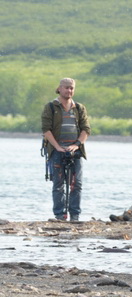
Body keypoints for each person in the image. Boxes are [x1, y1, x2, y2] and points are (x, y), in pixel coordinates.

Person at [41, 77, 91, 222]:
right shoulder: (51, 107)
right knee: (58, 184)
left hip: (75, 151)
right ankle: (59, 215)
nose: (69, 90)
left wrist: (77, 145)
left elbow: (86, 129)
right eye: (67, 87)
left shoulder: (79, 108)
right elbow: (46, 130)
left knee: (77, 184)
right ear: (60, 88)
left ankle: (75, 216)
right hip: (56, 151)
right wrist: (57, 147)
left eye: (72, 88)